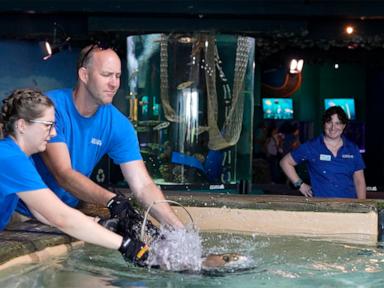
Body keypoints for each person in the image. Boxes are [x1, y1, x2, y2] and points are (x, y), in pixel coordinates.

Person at [16, 43, 183, 232]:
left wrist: (180, 231)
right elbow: (63, 174)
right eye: (106, 75)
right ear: (84, 75)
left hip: (65, 212)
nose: (114, 83)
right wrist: (112, 201)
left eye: (118, 76)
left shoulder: (118, 125)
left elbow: (143, 186)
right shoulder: (51, 109)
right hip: (20, 212)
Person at [0, 89, 149, 266]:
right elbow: (60, 216)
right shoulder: (10, 158)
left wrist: (99, 223)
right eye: (48, 125)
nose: (54, 133)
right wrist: (126, 245)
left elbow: (40, 212)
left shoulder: (23, 158)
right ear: (22, 125)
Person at [280, 106, 366, 199]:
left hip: (348, 206)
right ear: (324, 124)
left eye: (338, 123)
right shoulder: (312, 146)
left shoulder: (352, 148)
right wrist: (300, 185)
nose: (333, 127)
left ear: (344, 125)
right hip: (321, 208)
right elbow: (285, 162)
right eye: (329, 122)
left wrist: (363, 206)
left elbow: (359, 181)